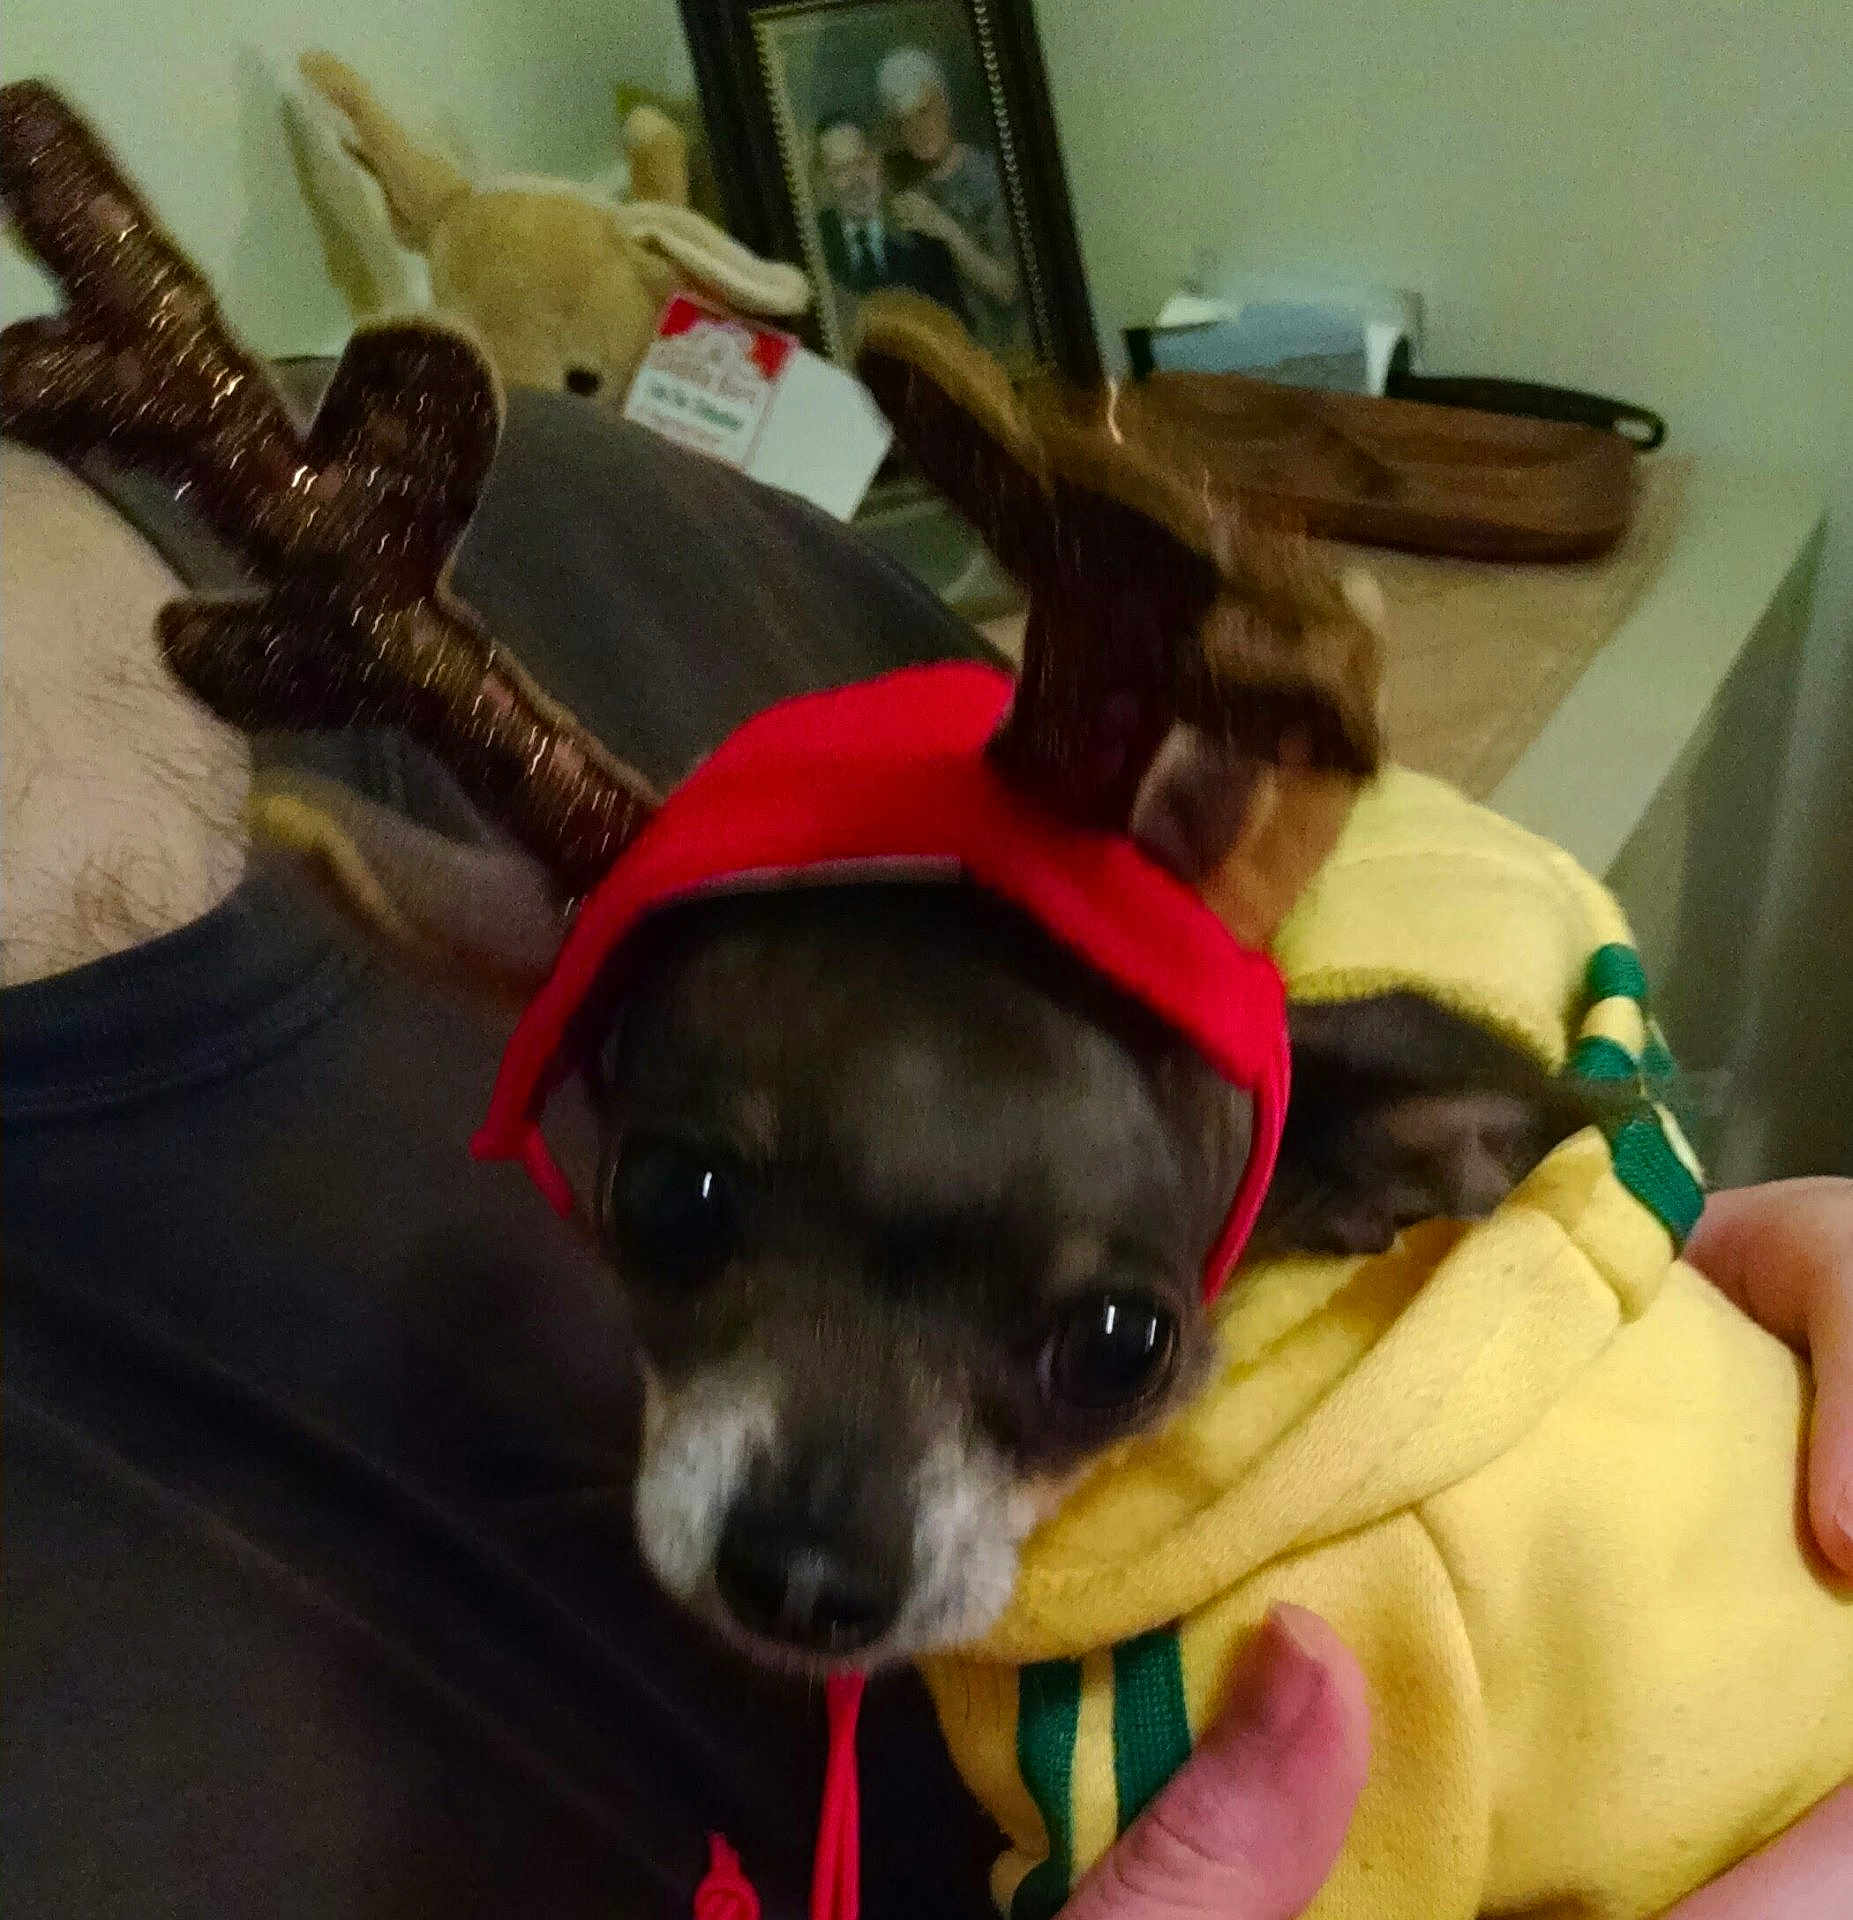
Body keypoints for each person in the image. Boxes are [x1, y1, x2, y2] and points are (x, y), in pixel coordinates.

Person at [5, 390, 1851, 1920]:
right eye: (696, 1210)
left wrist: (1636, 1292)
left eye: (1094, 1351)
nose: (824, 1552)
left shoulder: (602, 526)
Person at [876, 45, 1024, 355]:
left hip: (1000, 350)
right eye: (904, 120)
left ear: (945, 106)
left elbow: (1008, 288)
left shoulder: (989, 177)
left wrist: (945, 228)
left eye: (924, 111)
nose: (918, 128)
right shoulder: (902, 189)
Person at [812, 115, 968, 327]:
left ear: (878, 162)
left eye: (862, 163)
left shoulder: (922, 230)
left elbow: (957, 328)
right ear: (824, 180)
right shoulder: (813, 240)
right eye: (840, 170)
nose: (856, 180)